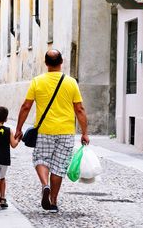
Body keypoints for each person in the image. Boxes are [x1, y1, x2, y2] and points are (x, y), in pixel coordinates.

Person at [15, 49, 90, 213]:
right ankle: (53, 201)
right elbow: (79, 109)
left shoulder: (37, 81)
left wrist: (18, 128)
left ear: (46, 63)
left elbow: (26, 106)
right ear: (61, 62)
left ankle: (44, 185)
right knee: (58, 167)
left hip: (45, 130)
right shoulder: (71, 82)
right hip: (66, 131)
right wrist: (84, 132)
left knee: (41, 159)